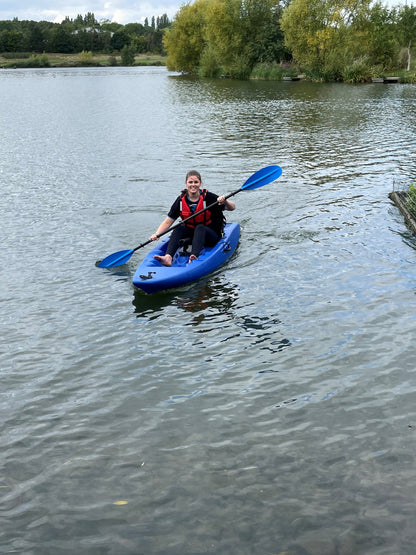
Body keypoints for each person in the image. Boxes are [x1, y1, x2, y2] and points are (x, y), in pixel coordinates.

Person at [149, 170, 235, 266]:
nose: (193, 185)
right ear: (186, 183)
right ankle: (168, 257)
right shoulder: (181, 201)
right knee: (179, 227)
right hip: (192, 235)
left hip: (211, 235)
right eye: (190, 182)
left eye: (196, 182)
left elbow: (232, 207)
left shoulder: (209, 197)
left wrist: (225, 201)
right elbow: (168, 222)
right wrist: (157, 234)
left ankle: (194, 256)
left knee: (200, 228)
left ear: (200, 183)